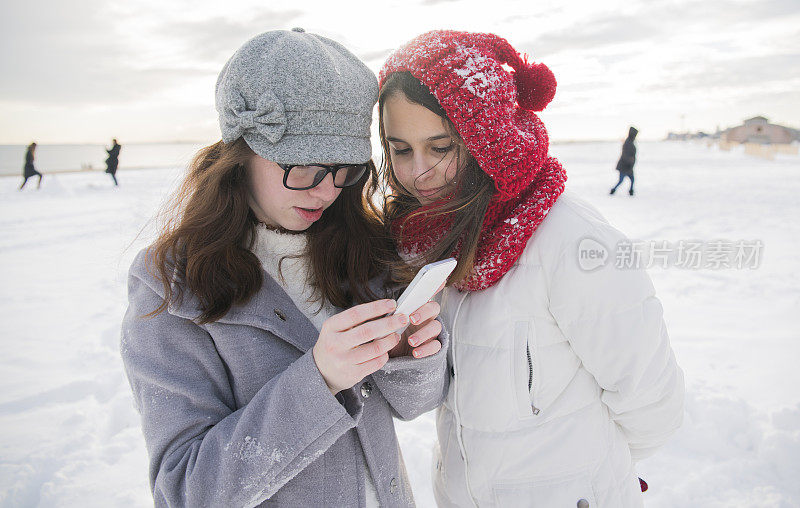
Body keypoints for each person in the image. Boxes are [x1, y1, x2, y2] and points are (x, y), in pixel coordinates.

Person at [120, 29, 449, 507]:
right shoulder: (171, 283)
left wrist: (403, 353)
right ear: (242, 149)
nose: (325, 191)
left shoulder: (357, 244)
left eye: (343, 170)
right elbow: (188, 489)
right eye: (305, 167)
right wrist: (320, 379)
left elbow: (414, 404)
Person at [378, 30, 684, 507]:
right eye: (400, 149)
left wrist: (589, 482)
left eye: (440, 147)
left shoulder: (570, 240)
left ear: (488, 139)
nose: (418, 171)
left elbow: (651, 401)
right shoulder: (437, 239)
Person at [611, 126, 638, 196]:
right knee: (621, 180)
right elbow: (625, 155)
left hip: (628, 166)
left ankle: (630, 191)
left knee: (631, 179)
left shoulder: (630, 142)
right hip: (625, 166)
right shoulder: (628, 143)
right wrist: (630, 162)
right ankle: (613, 190)